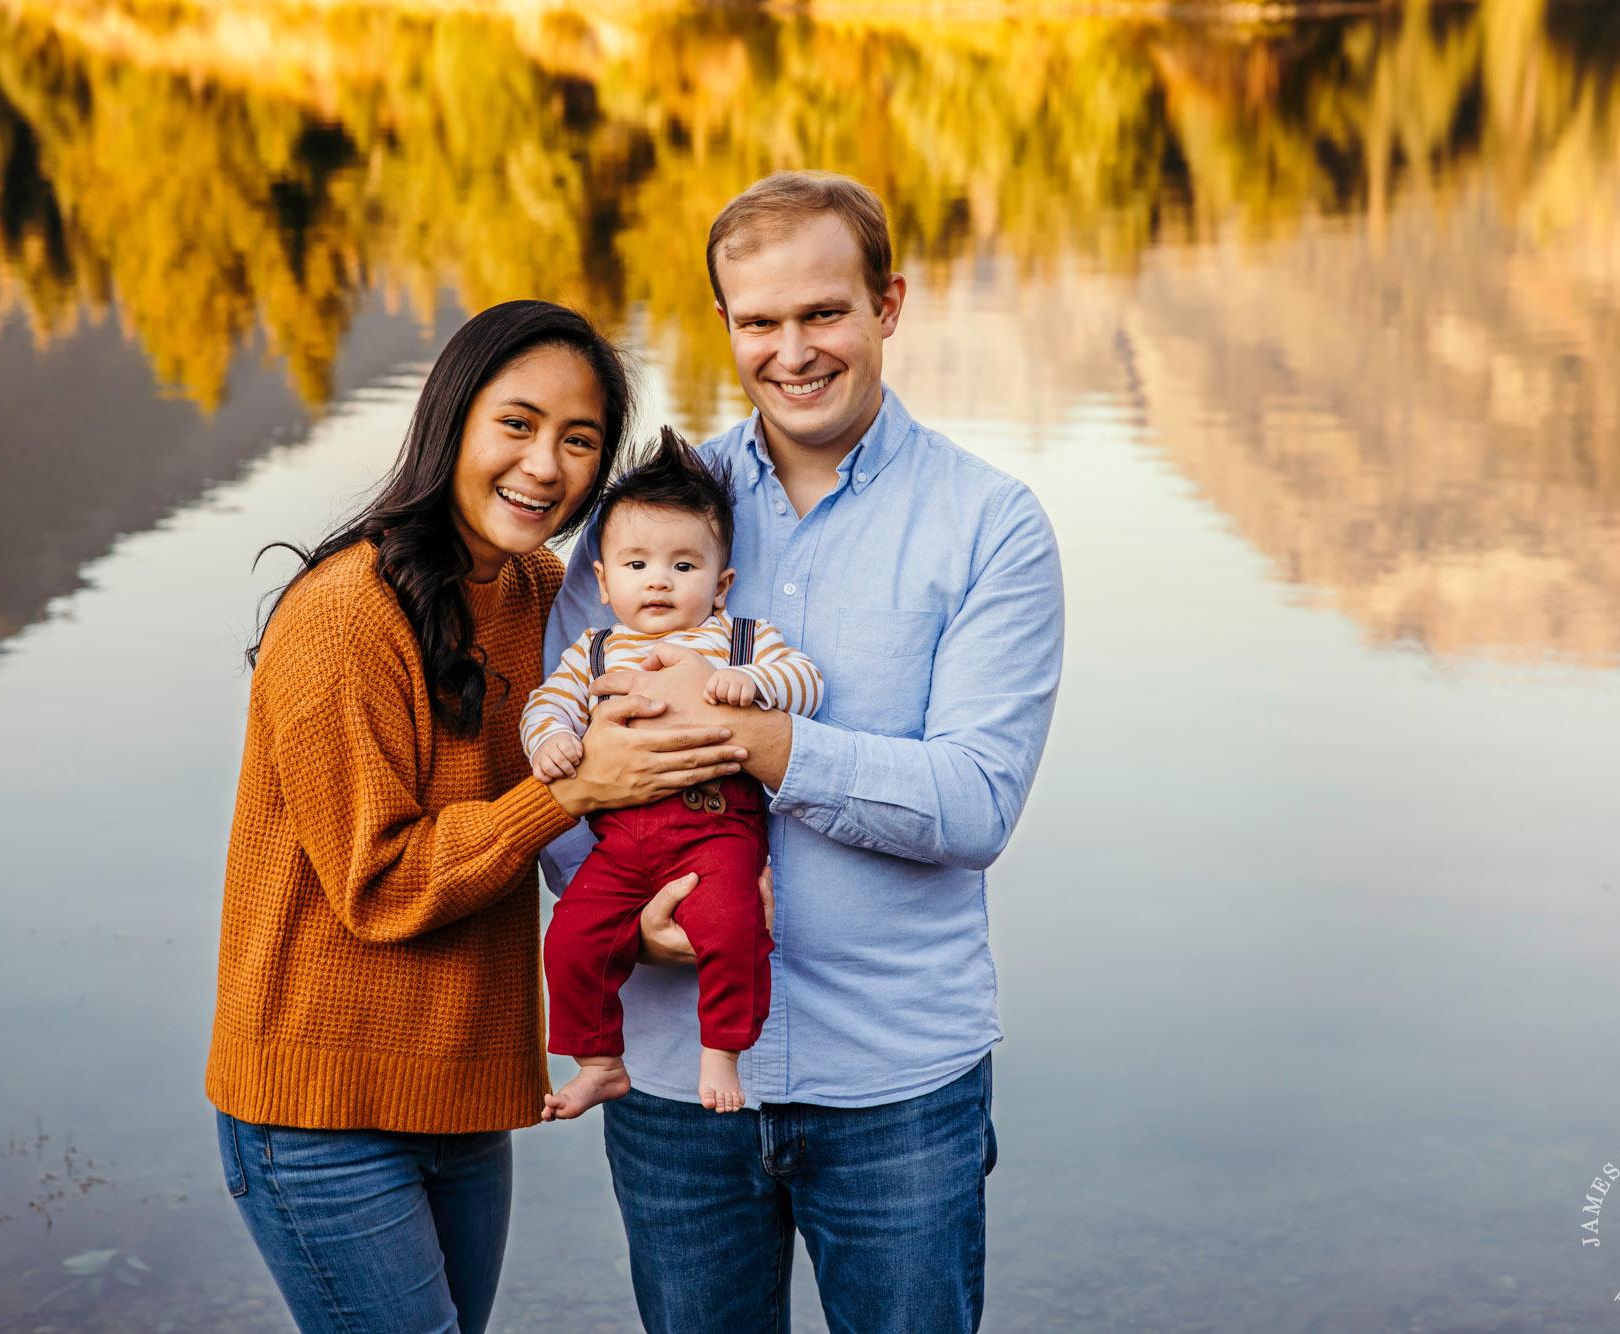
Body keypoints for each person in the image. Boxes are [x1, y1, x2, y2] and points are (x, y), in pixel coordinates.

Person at [540, 172, 1065, 1332]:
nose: (792, 350)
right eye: (758, 321)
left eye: (822, 312)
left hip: (895, 1089)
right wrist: (627, 921)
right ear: (723, 325)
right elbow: (568, 781)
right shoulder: (644, 524)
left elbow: (973, 803)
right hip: (678, 1088)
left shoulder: (989, 525)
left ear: (887, 303)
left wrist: (759, 737)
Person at [205, 300, 750, 1334]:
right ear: (451, 418)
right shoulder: (343, 614)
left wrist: (664, 899)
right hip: (321, 1108)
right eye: (517, 422)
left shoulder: (544, 591)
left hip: (459, 1092)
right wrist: (572, 789)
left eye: (578, 439)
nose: (544, 465)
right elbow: (383, 883)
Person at [523, 427, 824, 1119]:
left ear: (720, 584)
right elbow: (548, 706)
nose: (659, 579)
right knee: (570, 936)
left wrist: (751, 682)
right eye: (636, 565)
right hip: (622, 841)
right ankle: (598, 1060)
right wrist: (549, 746)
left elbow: (806, 681)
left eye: (684, 566)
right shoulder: (593, 652)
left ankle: (722, 1048)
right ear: (602, 580)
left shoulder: (740, 638)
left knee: (733, 919)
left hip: (716, 829)